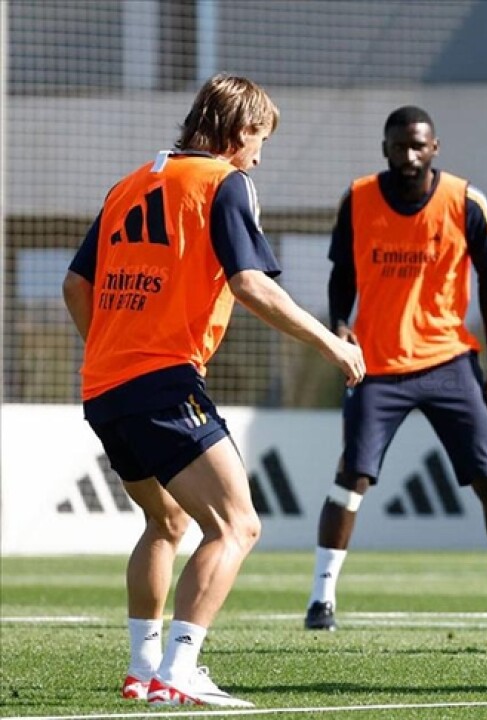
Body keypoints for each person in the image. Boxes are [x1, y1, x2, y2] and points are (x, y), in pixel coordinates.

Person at [61, 74, 366, 708]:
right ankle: (179, 670)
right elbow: (250, 283)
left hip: (105, 387)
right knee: (237, 525)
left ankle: (143, 668)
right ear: (239, 131)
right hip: (163, 383)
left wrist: (114, 348)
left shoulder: (129, 184)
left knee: (165, 520)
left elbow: (74, 285)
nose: (259, 156)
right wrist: (331, 343)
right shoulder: (224, 182)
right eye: (260, 139)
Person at [304, 105, 487, 632]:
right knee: (351, 477)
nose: (409, 155)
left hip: (448, 361)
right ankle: (321, 600)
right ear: (385, 149)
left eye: (418, 145)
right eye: (399, 146)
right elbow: (342, 275)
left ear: (435, 148)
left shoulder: (466, 201)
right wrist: (339, 325)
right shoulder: (358, 198)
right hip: (376, 364)